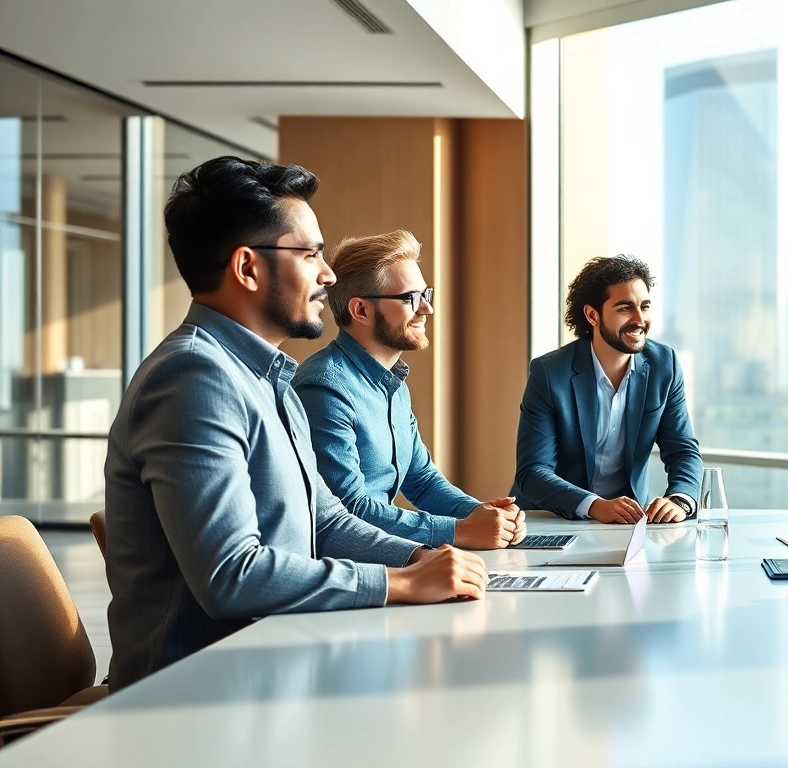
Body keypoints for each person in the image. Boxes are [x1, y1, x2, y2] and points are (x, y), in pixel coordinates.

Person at [103, 157, 489, 690]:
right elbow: (231, 576)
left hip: (274, 667)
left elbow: (325, 521)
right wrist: (395, 584)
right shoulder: (194, 378)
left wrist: (423, 557)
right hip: (198, 696)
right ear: (247, 268)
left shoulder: (268, 376)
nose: (327, 274)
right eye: (309, 254)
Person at [293, 230, 525, 550]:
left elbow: (423, 481)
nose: (427, 309)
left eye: (426, 294)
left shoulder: (392, 383)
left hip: (392, 557)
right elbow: (348, 512)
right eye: (410, 298)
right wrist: (460, 530)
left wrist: (486, 516)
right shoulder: (323, 388)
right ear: (361, 310)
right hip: (356, 573)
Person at [513, 255, 703, 523]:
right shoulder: (549, 373)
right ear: (592, 315)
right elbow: (532, 472)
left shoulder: (665, 366)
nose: (640, 319)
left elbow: (683, 451)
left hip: (627, 522)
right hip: (551, 518)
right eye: (625, 308)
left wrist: (680, 500)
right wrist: (594, 505)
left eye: (645, 307)